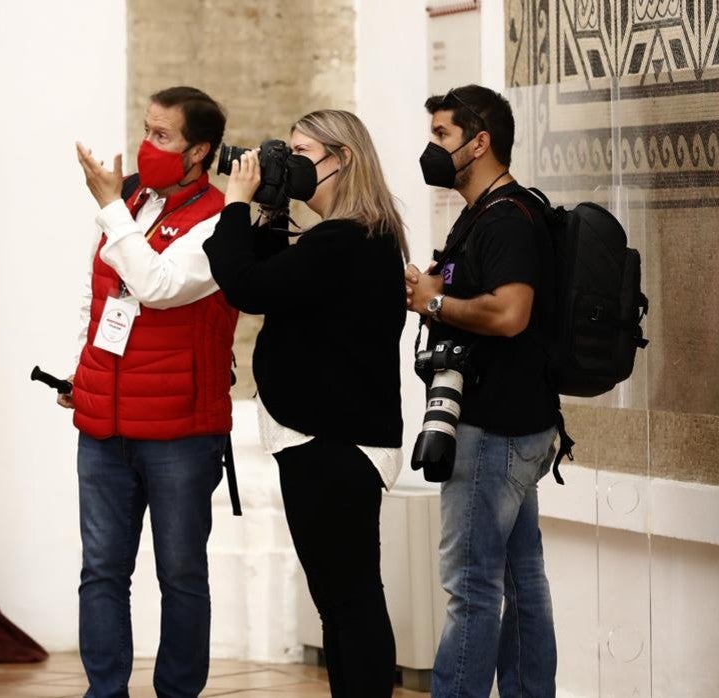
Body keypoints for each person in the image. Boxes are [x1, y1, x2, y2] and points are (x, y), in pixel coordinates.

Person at [204, 109, 409, 698]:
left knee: (350, 600)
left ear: (340, 159)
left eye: (301, 153)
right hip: (327, 440)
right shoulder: (355, 237)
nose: (291, 165)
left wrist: (235, 203)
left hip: (333, 444)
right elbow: (274, 274)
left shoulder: (346, 239)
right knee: (339, 601)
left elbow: (247, 285)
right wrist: (270, 206)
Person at [67, 85, 237, 698]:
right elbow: (101, 292)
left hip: (180, 432)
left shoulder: (222, 219)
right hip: (104, 422)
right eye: (145, 130)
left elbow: (161, 284)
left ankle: (177, 693)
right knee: (102, 572)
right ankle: (104, 691)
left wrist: (111, 210)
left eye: (162, 136)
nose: (146, 146)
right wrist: (79, 372)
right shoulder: (131, 199)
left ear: (200, 151)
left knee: (182, 574)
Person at [405, 84, 559, 698]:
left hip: (494, 428)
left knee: (471, 587)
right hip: (515, 426)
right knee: (522, 582)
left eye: (442, 135)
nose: (432, 148)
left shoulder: (508, 220)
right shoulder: (484, 217)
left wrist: (436, 301)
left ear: (480, 142)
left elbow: (510, 313)